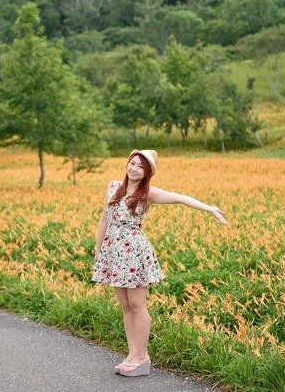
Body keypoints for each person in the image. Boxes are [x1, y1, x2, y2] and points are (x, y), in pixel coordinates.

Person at [92, 149, 229, 377]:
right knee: (125, 305)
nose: (134, 168)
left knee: (137, 305)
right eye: (132, 163)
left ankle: (143, 357)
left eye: (140, 166)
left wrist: (209, 208)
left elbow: (180, 198)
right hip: (113, 252)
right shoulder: (113, 186)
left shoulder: (149, 193)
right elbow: (105, 218)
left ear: (147, 173)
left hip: (134, 252)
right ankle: (132, 353)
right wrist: (98, 250)